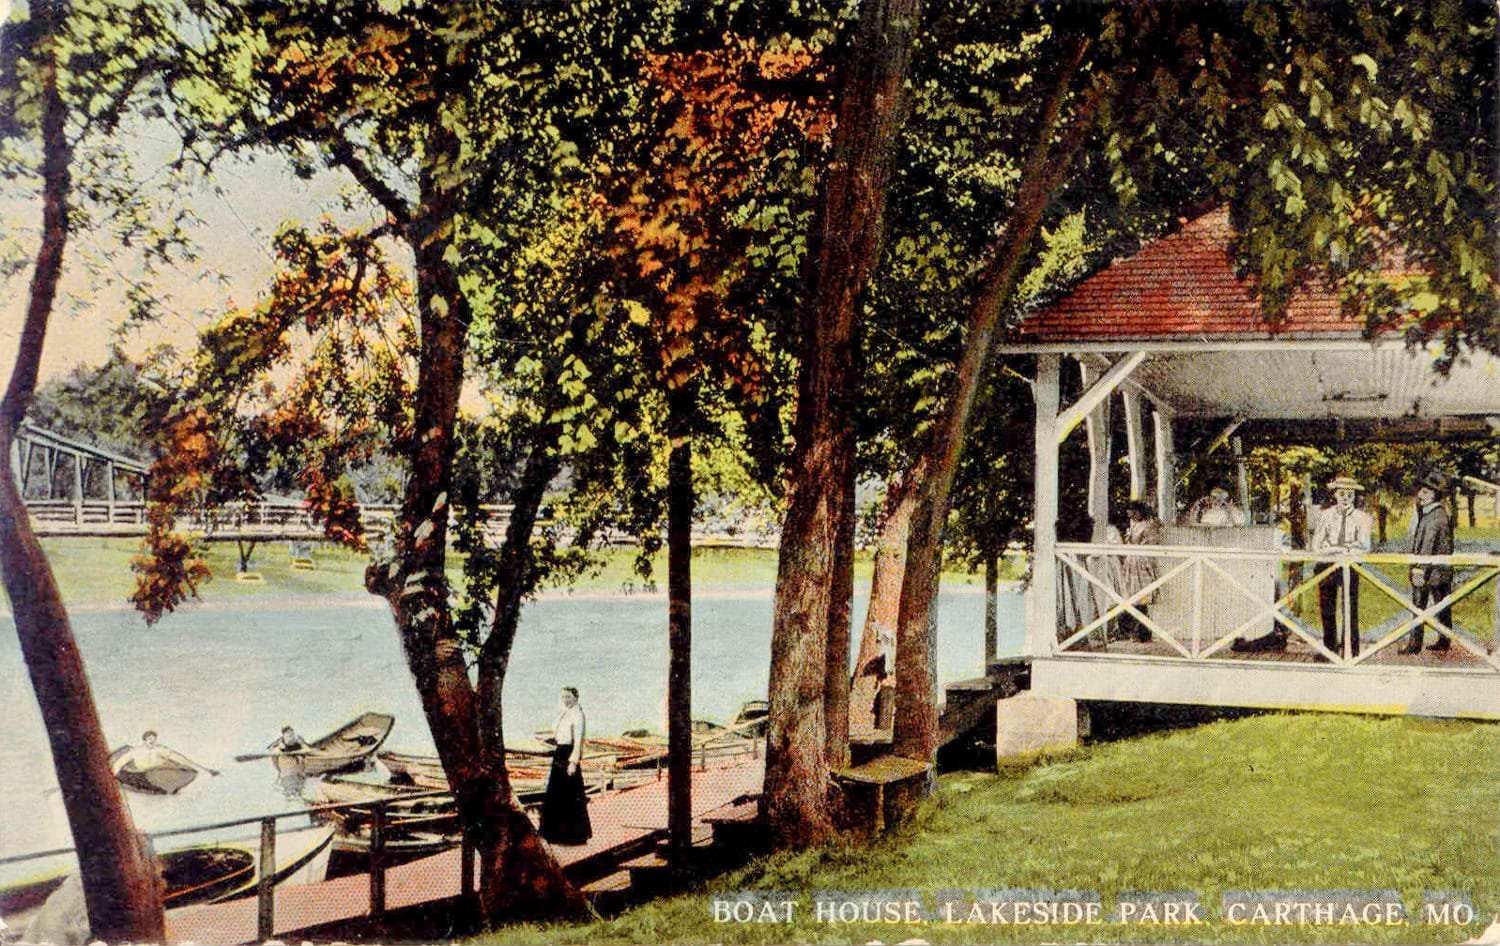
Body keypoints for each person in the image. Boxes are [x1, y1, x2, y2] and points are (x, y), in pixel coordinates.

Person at [1311, 474, 1373, 658]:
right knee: (1327, 608)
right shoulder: (1326, 515)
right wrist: (1344, 548)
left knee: (1350, 608)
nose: (1345, 498)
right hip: (1326, 566)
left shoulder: (1362, 518)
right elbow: (1316, 545)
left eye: (1349, 494)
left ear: (1354, 496)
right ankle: (1329, 649)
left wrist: (1335, 548)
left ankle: (1351, 650)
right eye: (1342, 494)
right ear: (1335, 495)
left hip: (1350, 567)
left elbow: (1364, 547)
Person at [1401, 471, 1454, 653]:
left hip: (1430, 571)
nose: (1420, 496)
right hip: (1439, 570)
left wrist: (1419, 570)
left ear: (1435, 495)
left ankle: (1415, 645)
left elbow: (1428, 545)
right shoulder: (1435, 513)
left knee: (1420, 607)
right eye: (1420, 492)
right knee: (1442, 607)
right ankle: (1444, 640)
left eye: (1425, 492)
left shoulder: (1435, 516)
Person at [540, 687, 592, 845]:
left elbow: (578, 742)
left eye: (568, 697)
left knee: (569, 795)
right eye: (563, 697)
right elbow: (559, 735)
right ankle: (555, 834)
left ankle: (573, 836)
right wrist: (549, 740)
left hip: (568, 755)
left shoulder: (578, 714)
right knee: (556, 794)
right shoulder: (565, 713)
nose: (566, 700)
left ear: (576, 697)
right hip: (559, 752)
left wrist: (573, 762)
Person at [1118, 502, 1164, 643]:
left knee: (1141, 597)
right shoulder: (1133, 525)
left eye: (1131, 510)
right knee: (1131, 596)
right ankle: (1134, 630)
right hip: (1132, 561)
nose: (1129, 513)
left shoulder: (1147, 526)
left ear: (1138, 511)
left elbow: (1151, 543)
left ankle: (1142, 631)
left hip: (1141, 562)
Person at [112, 730, 218, 777]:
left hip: (157, 771)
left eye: (154, 739)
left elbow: (180, 758)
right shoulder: (136, 751)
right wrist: (113, 774)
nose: (152, 741)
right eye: (150, 739)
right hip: (140, 772)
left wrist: (206, 770)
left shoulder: (160, 749)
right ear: (144, 740)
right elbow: (121, 762)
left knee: (176, 763)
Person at [1181, 485, 1249, 527]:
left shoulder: (1237, 514)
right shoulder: (1210, 513)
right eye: (1214, 498)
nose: (1217, 501)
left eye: (1221, 499)